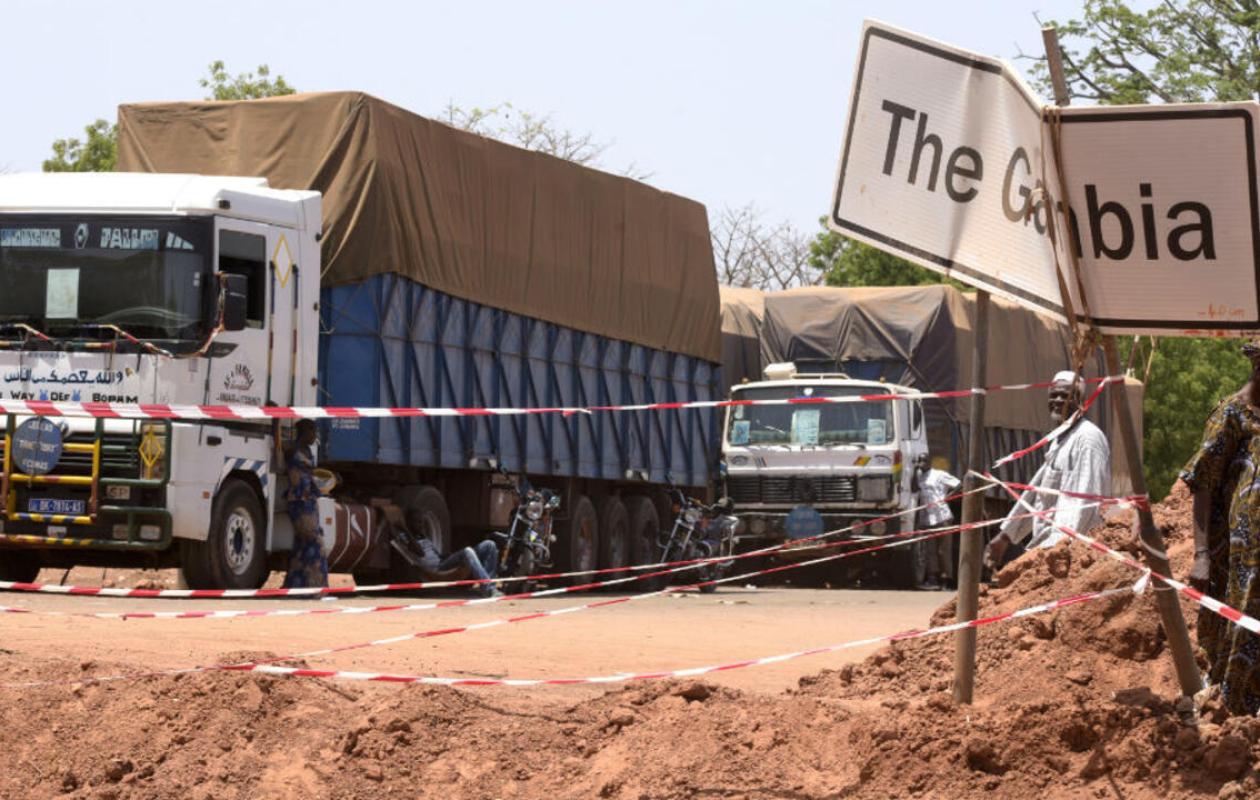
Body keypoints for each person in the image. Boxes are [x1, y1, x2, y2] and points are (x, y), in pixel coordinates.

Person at [1180, 341, 1260, 715]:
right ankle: (1231, 707)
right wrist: (1200, 555)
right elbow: (1203, 483)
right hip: (1238, 559)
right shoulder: (1231, 414)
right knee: (1237, 623)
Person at [984, 370, 1111, 567]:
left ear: (1082, 401)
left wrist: (1061, 548)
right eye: (1054, 395)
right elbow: (1037, 492)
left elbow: (1082, 500)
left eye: (1065, 395)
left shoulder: (1087, 438)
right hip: (1048, 546)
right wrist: (1006, 536)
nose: (1058, 400)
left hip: (1069, 552)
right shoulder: (1059, 439)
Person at [283, 419, 329, 589]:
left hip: (310, 501)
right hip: (298, 501)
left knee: (302, 546)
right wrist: (275, 422)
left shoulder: (309, 452)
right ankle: (317, 588)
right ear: (305, 432)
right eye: (313, 432)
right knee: (315, 544)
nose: (315, 436)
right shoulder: (292, 450)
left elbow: (312, 475)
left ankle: (295, 587)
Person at [912, 453, 960, 590]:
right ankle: (933, 578)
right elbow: (915, 489)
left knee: (943, 550)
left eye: (925, 460)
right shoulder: (919, 477)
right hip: (927, 519)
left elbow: (958, 484)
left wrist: (948, 497)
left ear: (930, 462)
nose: (922, 463)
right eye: (920, 461)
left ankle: (947, 579)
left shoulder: (939, 474)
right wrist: (915, 472)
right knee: (930, 550)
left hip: (942, 517)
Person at [409, 534, 504, 599]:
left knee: (489, 544)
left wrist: (451, 555)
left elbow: (438, 555)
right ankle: (489, 589)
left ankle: (487, 588)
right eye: (417, 522)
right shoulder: (410, 543)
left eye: (421, 522)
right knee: (467, 551)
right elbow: (419, 552)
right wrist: (406, 529)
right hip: (437, 569)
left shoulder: (425, 539)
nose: (421, 525)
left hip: (443, 563)